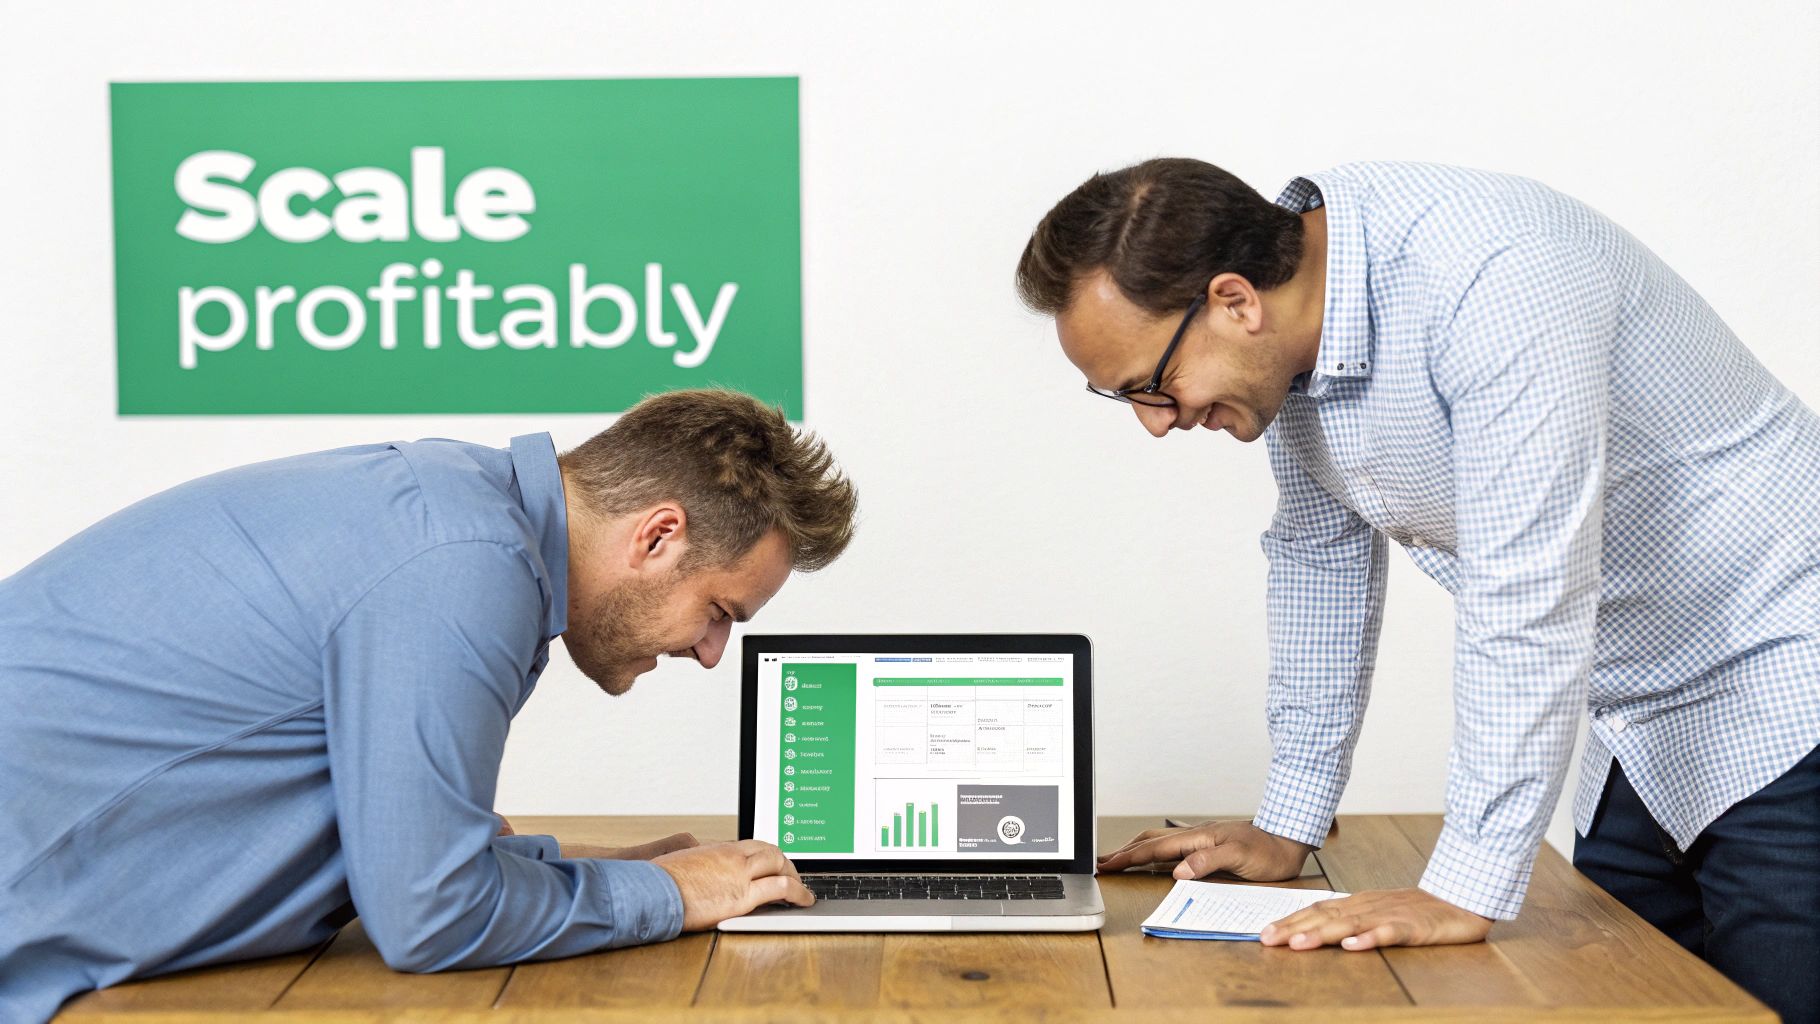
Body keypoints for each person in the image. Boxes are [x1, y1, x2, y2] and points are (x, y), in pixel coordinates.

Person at [1018, 158, 1819, 1022]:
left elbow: (1529, 594)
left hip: (1785, 687)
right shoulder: (1297, 339)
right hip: (1635, 729)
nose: (1155, 422)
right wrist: (1288, 823)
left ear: (1235, 301)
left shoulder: (1494, 277)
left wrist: (1463, 885)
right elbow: (1319, 560)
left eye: (1151, 384)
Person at [0, 387, 857, 1023]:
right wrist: (665, 894)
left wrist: (586, 868)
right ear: (658, 535)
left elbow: (398, 851)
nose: (711, 653)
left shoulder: (454, 511)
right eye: (719, 612)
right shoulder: (464, 563)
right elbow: (431, 915)